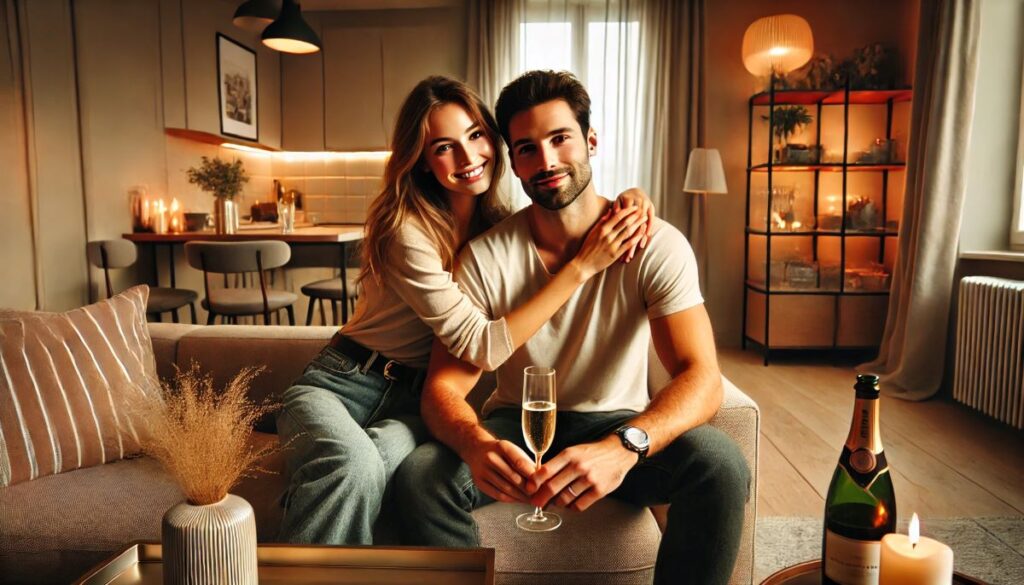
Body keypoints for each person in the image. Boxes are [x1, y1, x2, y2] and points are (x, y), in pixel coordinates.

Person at [393, 70, 751, 585]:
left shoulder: (654, 243)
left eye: (560, 138)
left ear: (591, 140)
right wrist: (473, 443)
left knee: (720, 463)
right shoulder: (485, 258)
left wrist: (626, 445)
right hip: (518, 423)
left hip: (617, 422)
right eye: (527, 149)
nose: (547, 161)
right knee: (421, 477)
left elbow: (703, 377)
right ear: (511, 161)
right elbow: (443, 388)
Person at [276, 75, 656, 545]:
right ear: (420, 159)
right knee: (352, 464)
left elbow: (565, 205)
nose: (468, 158)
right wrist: (583, 267)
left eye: (476, 135)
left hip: (412, 406)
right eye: (443, 147)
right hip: (341, 384)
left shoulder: (492, 231)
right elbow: (481, 344)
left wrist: (632, 200)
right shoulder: (405, 231)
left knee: (385, 468)